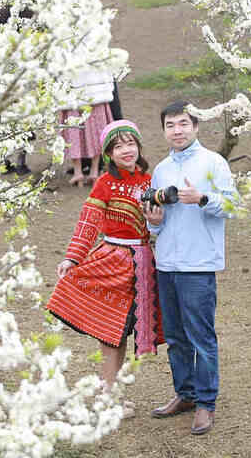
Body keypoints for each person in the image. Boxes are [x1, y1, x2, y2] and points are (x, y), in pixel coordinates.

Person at [46, 121, 165, 411]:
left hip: (145, 265)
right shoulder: (104, 183)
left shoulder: (150, 180)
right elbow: (88, 223)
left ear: (139, 146)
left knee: (123, 332)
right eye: (118, 146)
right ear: (108, 153)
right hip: (113, 262)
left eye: (130, 144)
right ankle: (107, 395)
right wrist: (72, 257)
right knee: (111, 332)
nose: (126, 150)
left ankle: (111, 393)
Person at [143, 100, 237, 436]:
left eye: (183, 123)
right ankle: (184, 394)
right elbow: (156, 222)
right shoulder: (161, 169)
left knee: (201, 337)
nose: (177, 130)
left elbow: (233, 205)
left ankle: (206, 403)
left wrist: (202, 198)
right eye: (170, 125)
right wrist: (153, 222)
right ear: (164, 130)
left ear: (196, 126)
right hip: (167, 262)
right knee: (176, 337)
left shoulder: (214, 162)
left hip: (198, 264)